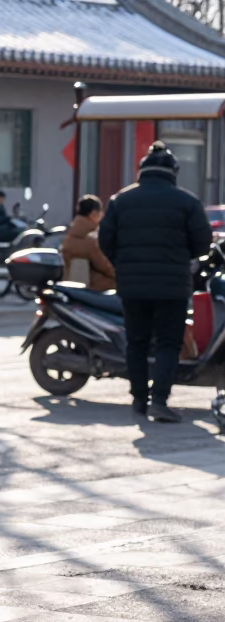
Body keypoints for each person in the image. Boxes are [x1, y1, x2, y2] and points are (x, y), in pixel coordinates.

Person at [99, 141, 212, 423]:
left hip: (131, 286)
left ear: (142, 171)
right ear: (172, 172)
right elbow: (203, 243)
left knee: (136, 342)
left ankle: (138, 399)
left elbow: (105, 241)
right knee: (168, 343)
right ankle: (159, 400)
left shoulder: (120, 200)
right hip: (172, 286)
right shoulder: (187, 201)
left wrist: (123, 264)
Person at [60, 194, 115, 292]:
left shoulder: (71, 235)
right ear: (93, 214)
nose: (102, 214)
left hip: (71, 284)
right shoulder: (90, 240)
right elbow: (106, 267)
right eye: (100, 211)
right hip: (92, 288)